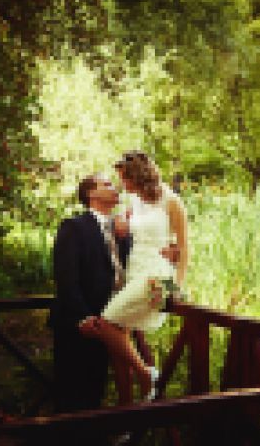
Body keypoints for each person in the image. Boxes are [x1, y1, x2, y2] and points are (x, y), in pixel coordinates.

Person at [80, 151, 189, 402]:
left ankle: (146, 373)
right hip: (134, 271)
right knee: (119, 337)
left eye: (125, 178)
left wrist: (176, 287)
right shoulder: (134, 201)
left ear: (138, 175)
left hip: (157, 273)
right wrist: (121, 226)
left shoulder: (172, 201)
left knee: (107, 321)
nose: (122, 184)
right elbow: (123, 231)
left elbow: (184, 248)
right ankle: (126, 409)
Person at [50, 174, 131, 413]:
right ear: (91, 194)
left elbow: (127, 270)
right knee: (72, 396)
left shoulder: (121, 230)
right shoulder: (74, 227)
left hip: (110, 321)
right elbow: (66, 277)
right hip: (78, 324)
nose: (114, 187)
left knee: (96, 392)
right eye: (107, 184)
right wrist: (83, 317)